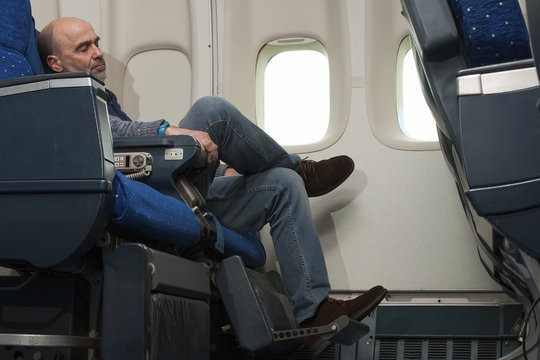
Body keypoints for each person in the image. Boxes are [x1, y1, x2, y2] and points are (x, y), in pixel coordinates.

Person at [38, 17, 387, 354]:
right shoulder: (60, 98)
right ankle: (300, 168)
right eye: (84, 48)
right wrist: (165, 131)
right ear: (55, 62)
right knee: (212, 110)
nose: (98, 52)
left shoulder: (101, 95)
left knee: (283, 186)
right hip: (146, 188)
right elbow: (117, 136)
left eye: (97, 42)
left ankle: (313, 309)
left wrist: (222, 174)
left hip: (162, 184)